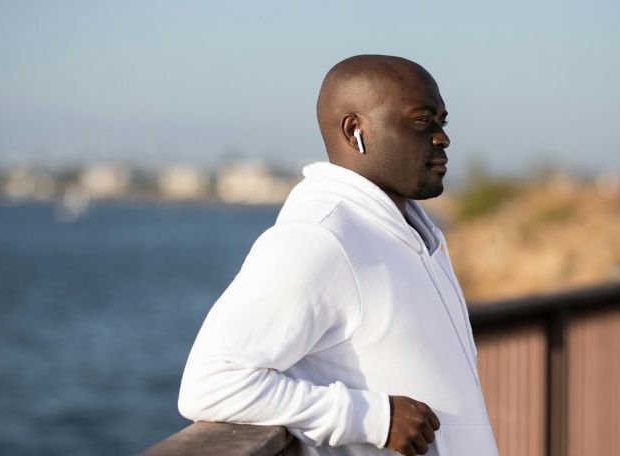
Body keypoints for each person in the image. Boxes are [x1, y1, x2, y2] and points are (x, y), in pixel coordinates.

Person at [178, 55, 498, 456]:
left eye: (442, 121)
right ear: (355, 130)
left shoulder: (414, 233)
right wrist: (372, 418)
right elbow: (211, 384)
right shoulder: (319, 238)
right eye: (422, 120)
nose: (442, 137)